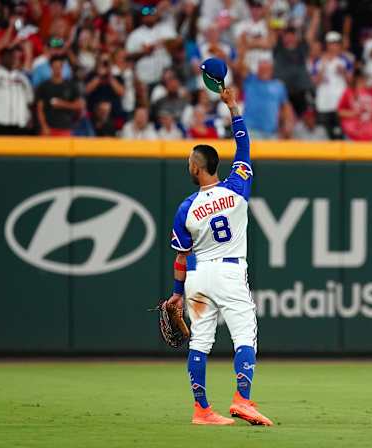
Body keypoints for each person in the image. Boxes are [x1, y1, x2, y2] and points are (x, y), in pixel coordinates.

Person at [166, 87, 273, 427]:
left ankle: (202, 411)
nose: (188, 165)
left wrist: (175, 292)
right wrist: (233, 108)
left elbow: (181, 258)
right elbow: (244, 147)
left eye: (190, 162)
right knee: (244, 335)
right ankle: (242, 399)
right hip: (229, 273)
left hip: (198, 277)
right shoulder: (237, 186)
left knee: (200, 341)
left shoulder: (186, 208)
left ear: (199, 169)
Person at [311, 31, 354, 140]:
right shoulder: (318, 60)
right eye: (331, 43)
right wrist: (323, 69)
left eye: (336, 43)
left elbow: (351, 82)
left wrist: (343, 72)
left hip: (339, 103)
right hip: (323, 102)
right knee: (323, 132)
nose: (333, 46)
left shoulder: (346, 60)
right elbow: (315, 81)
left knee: (339, 132)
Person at [239, 55, 294, 139]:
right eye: (262, 69)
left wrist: (288, 123)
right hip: (251, 130)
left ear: (271, 70)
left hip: (271, 132)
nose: (264, 71)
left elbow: (286, 106)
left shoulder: (279, 85)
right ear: (257, 70)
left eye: (267, 69)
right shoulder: (250, 80)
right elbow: (240, 68)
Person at [125, 5, 178, 89]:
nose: (149, 17)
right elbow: (127, 55)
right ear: (142, 17)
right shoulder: (135, 34)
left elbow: (179, 43)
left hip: (167, 78)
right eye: (146, 15)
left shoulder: (165, 28)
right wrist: (143, 52)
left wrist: (166, 43)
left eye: (152, 14)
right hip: (145, 79)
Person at [36, 55, 83, 136]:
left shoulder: (71, 86)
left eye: (59, 67)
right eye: (55, 67)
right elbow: (40, 109)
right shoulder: (43, 86)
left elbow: (79, 105)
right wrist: (44, 126)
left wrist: (62, 104)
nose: (57, 69)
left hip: (65, 128)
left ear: (62, 67)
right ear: (51, 68)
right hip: (49, 128)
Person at [0, 47, 34, 135]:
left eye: (15, 57)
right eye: (9, 56)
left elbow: (30, 99)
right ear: (1, 58)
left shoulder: (22, 78)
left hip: (19, 124)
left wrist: (28, 116)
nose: (13, 59)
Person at [338, 70, 372, 141]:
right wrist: (355, 113)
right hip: (352, 134)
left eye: (366, 78)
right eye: (363, 78)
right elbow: (340, 112)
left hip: (370, 134)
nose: (365, 80)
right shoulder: (348, 92)